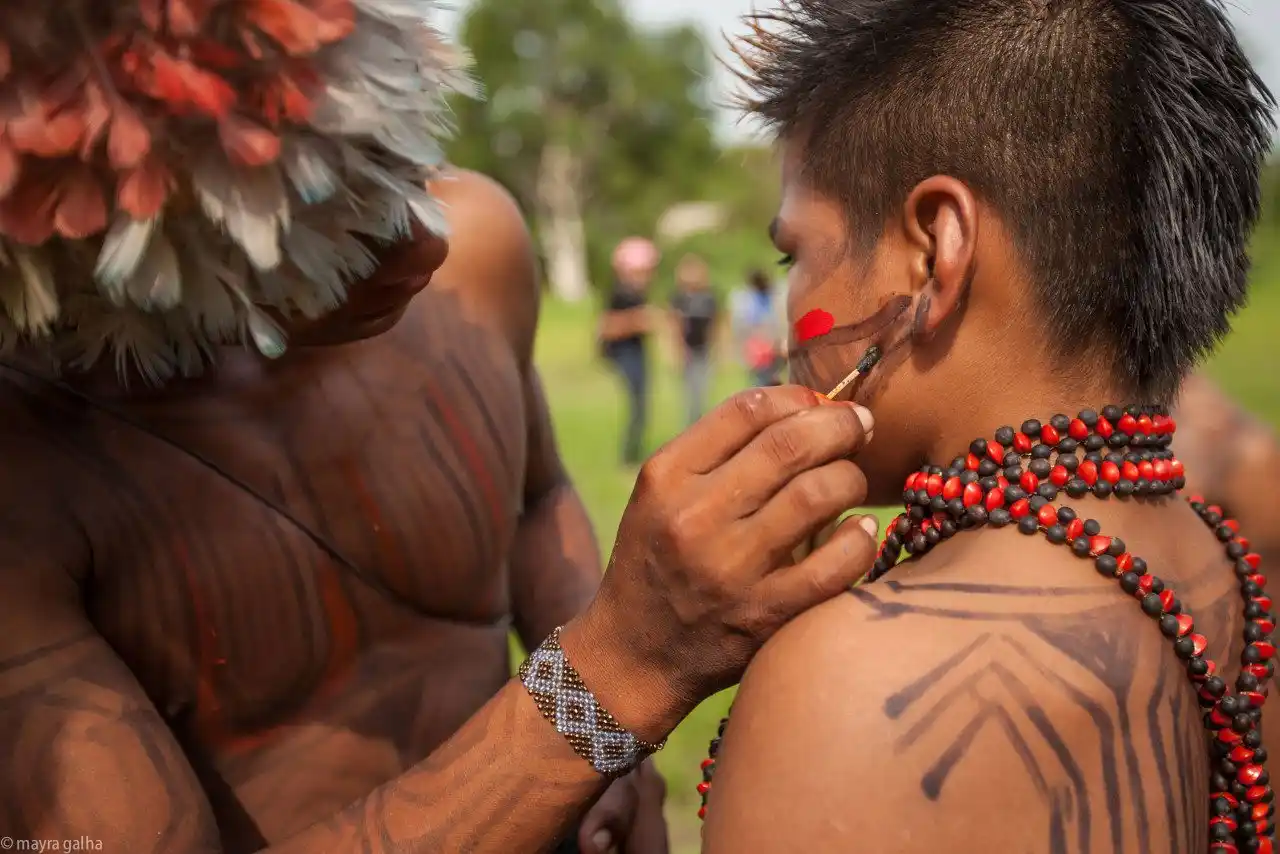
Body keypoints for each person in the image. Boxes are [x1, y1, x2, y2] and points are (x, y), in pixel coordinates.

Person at [0, 165, 883, 854]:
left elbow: (535, 498)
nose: (423, 239)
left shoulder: (479, 248)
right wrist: (609, 683)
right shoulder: (27, 459)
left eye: (395, 158)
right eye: (319, 190)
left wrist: (613, 756)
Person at [699, 2, 1276, 852]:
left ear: (935, 252)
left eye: (797, 255)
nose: (791, 318)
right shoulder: (1241, 588)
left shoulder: (851, 682)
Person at [598, 238, 659, 465]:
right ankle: (627, 455)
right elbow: (606, 328)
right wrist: (638, 320)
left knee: (641, 407)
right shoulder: (620, 293)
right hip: (625, 356)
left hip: (637, 353)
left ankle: (634, 452)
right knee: (635, 407)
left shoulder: (637, 293)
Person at [669, 254, 720, 426]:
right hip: (688, 350)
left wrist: (718, 348)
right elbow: (676, 325)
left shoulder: (708, 298)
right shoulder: (680, 299)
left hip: (703, 349)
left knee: (702, 392)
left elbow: (715, 323)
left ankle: (698, 425)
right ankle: (692, 427)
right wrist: (678, 351)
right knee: (691, 394)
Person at [728, 269, 786, 387]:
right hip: (756, 345)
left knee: (769, 378)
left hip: (771, 344)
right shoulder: (746, 299)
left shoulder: (772, 296)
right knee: (761, 379)